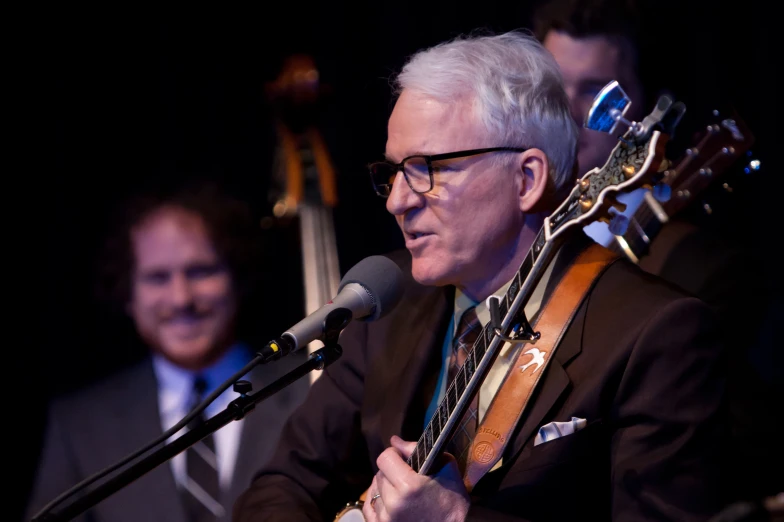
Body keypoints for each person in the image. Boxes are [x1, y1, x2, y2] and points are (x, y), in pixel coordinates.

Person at [232, 31, 726, 521]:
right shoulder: (389, 300)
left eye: (427, 168)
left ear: (527, 179)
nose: (396, 200)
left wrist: (454, 520)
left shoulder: (657, 333)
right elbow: (281, 486)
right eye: (393, 171)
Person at [535, 0, 779, 503]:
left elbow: (743, 451)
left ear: (640, 107)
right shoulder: (516, 234)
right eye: (557, 90)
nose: (574, 113)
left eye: (597, 92)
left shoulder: (706, 272)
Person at [25, 181, 311, 522]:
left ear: (238, 277)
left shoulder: (311, 387)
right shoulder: (80, 424)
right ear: (127, 292)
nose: (181, 299)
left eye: (201, 271)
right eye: (157, 277)